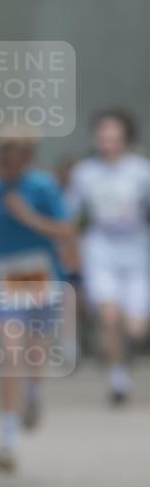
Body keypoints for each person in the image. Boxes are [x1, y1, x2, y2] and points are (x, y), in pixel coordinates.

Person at [0, 135, 74, 474]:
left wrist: (27, 216)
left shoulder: (43, 186)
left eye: (19, 156)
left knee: (35, 353)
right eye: (6, 156)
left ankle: (33, 392)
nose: (12, 163)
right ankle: (7, 440)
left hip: (43, 274)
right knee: (9, 353)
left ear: (29, 157)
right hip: (7, 275)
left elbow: (66, 229)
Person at [66, 111, 150, 404]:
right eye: (103, 138)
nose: (108, 144)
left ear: (125, 139)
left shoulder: (141, 171)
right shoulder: (85, 173)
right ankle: (118, 377)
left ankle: (122, 352)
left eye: (114, 138)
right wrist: (71, 247)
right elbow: (71, 215)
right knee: (109, 316)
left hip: (137, 253)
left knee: (136, 328)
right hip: (100, 250)